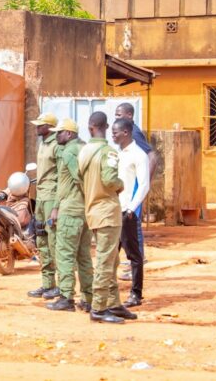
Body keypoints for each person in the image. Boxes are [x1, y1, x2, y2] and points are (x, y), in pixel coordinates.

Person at [78, 111, 136, 324]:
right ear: (107, 126)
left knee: (112, 259)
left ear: (90, 127)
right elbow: (110, 180)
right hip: (107, 211)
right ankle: (99, 307)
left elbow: (79, 179)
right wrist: (121, 184)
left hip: (93, 210)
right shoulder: (108, 152)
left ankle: (113, 303)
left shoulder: (84, 151)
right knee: (105, 260)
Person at [46, 118, 93, 312]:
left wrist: (57, 207)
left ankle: (66, 297)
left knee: (64, 254)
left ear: (69, 134)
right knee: (84, 256)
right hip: (85, 211)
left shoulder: (68, 152)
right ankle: (88, 298)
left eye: (59, 132)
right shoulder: (86, 148)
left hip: (71, 211)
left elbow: (77, 178)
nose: (56, 136)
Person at [111, 118, 150, 308]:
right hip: (113, 210)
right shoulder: (117, 154)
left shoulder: (138, 155)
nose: (112, 135)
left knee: (133, 255)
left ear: (126, 132)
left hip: (127, 212)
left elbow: (144, 185)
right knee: (111, 254)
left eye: (115, 132)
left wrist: (131, 208)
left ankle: (136, 293)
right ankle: (109, 293)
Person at [114, 102, 155, 269]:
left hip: (133, 191)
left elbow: (152, 156)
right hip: (127, 192)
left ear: (129, 115)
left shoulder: (134, 134)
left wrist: (144, 183)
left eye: (119, 114)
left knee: (133, 227)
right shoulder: (127, 137)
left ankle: (137, 263)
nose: (116, 117)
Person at [28, 112, 61, 300]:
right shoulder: (42, 144)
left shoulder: (57, 146)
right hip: (40, 197)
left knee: (53, 240)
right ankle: (48, 283)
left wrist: (57, 205)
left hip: (51, 197)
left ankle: (62, 285)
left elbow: (62, 176)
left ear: (49, 127)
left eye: (41, 125)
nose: (37, 127)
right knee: (41, 240)